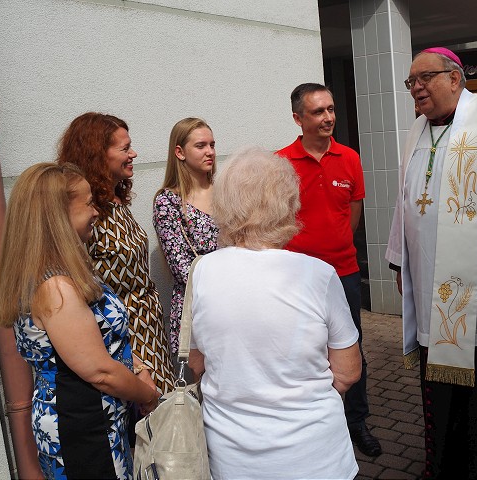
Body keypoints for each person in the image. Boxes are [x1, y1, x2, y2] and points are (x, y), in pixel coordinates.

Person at [386, 47, 477, 479]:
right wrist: (399, 259)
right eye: (411, 81)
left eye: (424, 78)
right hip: (427, 285)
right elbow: (405, 198)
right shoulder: (417, 129)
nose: (415, 88)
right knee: (438, 392)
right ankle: (443, 465)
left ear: (455, 78)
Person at [188, 146, 361, 479]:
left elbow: (197, 363)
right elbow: (348, 372)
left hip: (231, 459)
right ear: (289, 204)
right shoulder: (319, 275)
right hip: (316, 456)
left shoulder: (203, 271)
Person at [0, 163, 160, 479]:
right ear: (59, 217)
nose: (96, 211)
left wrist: (136, 366)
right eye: (87, 203)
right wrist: (147, 394)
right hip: (84, 433)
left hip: (97, 423)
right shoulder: (55, 287)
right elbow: (100, 371)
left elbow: (103, 342)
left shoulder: (59, 274)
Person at [276, 83, 382, 457]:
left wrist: (334, 247)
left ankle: (356, 422)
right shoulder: (281, 163)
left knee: (350, 349)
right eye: (318, 112)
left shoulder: (349, 158)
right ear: (298, 118)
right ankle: (315, 420)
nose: (328, 118)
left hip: (343, 273)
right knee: (304, 349)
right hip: (296, 277)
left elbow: (352, 213)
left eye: (331, 109)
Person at [57, 113, 175, 394]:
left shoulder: (115, 202)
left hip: (150, 332)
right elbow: (85, 292)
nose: (133, 153)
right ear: (97, 155)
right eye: (124, 149)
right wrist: (135, 366)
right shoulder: (86, 214)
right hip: (125, 342)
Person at [153, 117, 218, 354]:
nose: (210, 152)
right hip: (198, 305)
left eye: (212, 145)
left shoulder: (226, 192)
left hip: (235, 300)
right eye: (201, 146)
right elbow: (181, 266)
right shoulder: (168, 201)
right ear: (180, 152)